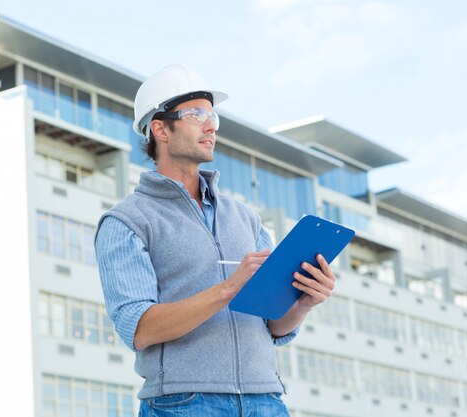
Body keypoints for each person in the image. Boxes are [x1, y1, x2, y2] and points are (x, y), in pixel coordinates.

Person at [95, 64, 336, 416]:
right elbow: (139, 329)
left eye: (213, 116)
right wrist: (227, 289)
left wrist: (303, 302)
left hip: (265, 401)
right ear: (160, 128)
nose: (210, 126)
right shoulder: (127, 221)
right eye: (196, 114)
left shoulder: (245, 218)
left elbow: (272, 325)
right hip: (185, 404)